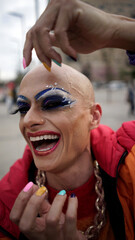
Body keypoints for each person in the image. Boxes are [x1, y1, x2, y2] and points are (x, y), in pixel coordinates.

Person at [0, 1, 135, 240]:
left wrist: (116, 31)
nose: (28, 120)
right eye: (22, 108)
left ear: (94, 116)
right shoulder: (7, 201)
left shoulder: (130, 159)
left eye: (52, 104)